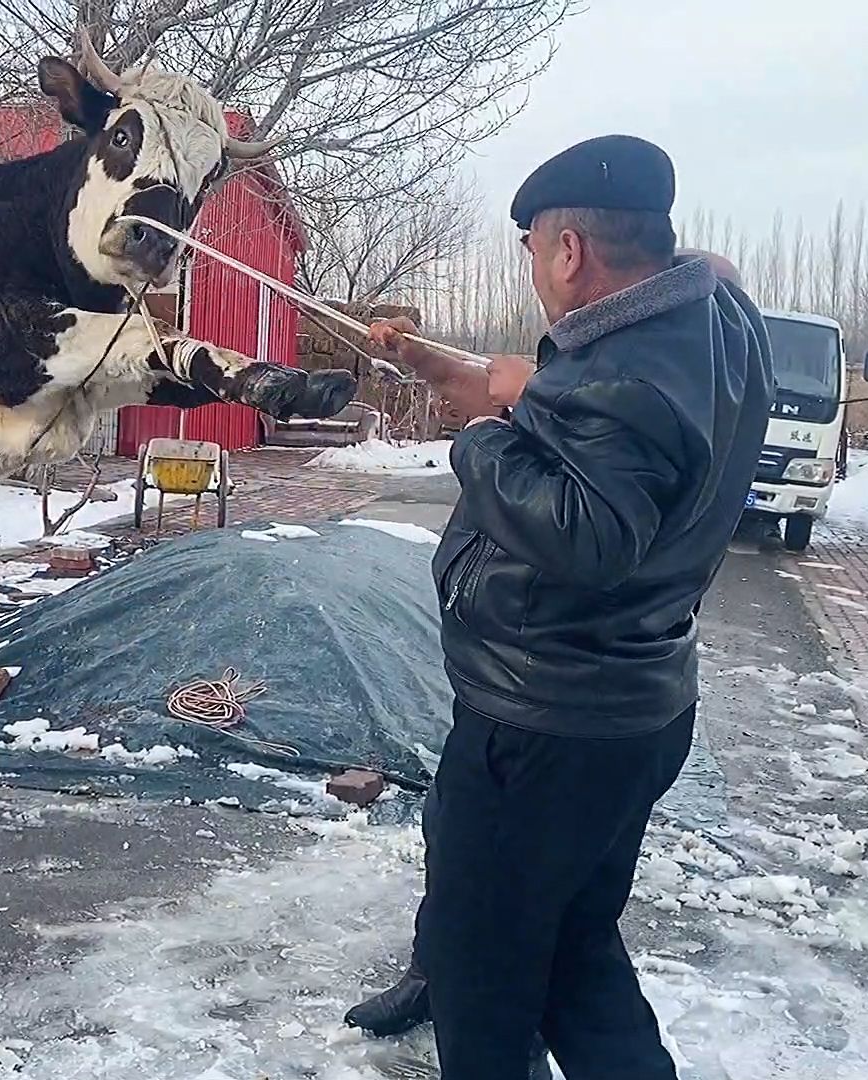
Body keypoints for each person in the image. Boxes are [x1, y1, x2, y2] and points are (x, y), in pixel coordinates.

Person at [347, 135, 773, 1079]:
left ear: (570, 252)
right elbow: (712, 283)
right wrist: (499, 378)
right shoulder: (723, 320)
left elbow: (589, 534)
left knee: (482, 977)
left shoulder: (619, 381)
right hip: (634, 708)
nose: (536, 271)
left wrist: (483, 438)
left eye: (536, 248)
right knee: (576, 950)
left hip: (546, 727)